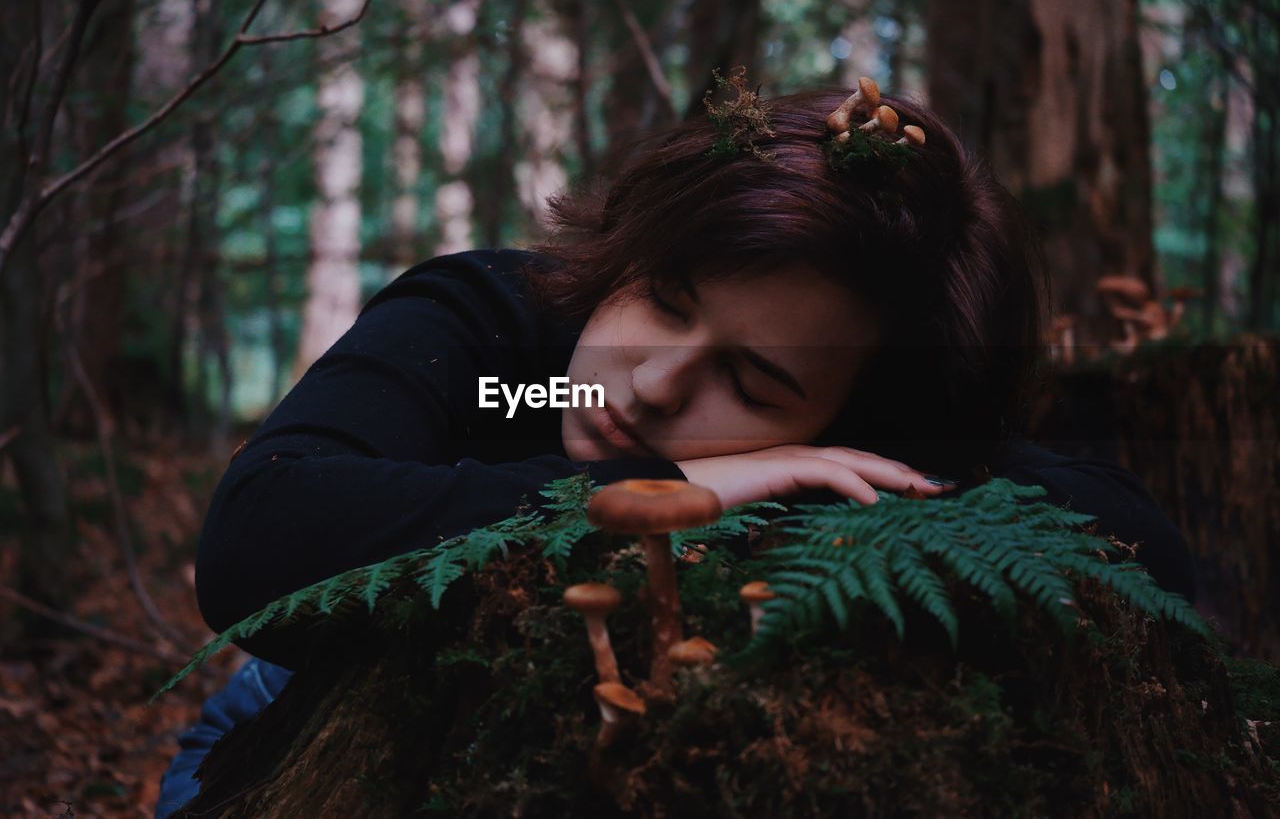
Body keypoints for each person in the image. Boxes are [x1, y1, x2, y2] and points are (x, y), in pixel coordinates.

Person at [154, 80, 1199, 817]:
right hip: (288, 717)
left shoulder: (874, 439)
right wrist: (677, 482)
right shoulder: (504, 337)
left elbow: (1142, 549)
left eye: (749, 381)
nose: (648, 382)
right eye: (662, 297)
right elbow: (260, 535)